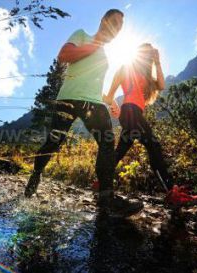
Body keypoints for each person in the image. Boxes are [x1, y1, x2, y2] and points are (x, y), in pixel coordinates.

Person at [24, 9, 141, 214]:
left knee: (106, 142)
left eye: (120, 27)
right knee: (54, 142)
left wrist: (110, 99)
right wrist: (95, 45)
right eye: (114, 22)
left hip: (93, 103)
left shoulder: (105, 55)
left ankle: (106, 198)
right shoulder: (82, 35)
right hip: (67, 99)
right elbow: (64, 56)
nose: (117, 29)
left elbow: (93, 82)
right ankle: (36, 173)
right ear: (103, 21)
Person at [103, 43, 197, 207]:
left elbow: (162, 85)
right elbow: (109, 96)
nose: (147, 56)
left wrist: (157, 62)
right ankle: (171, 192)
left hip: (134, 114)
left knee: (120, 150)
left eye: (150, 54)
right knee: (154, 146)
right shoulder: (125, 68)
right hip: (130, 112)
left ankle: (100, 182)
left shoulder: (147, 77)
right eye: (145, 52)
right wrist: (114, 106)